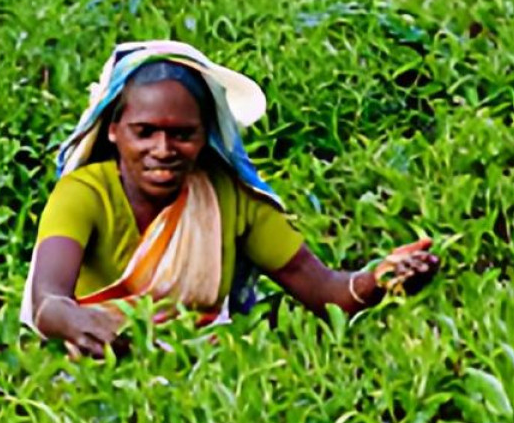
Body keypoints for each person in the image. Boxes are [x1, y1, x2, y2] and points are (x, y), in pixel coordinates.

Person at [22, 40, 437, 357]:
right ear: (114, 130)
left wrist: (380, 277)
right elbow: (48, 297)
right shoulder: (84, 194)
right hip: (93, 370)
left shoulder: (229, 200)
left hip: (207, 372)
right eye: (145, 131)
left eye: (183, 134)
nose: (163, 149)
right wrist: (81, 323)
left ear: (206, 136)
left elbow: (325, 290)